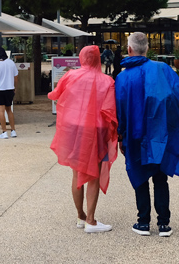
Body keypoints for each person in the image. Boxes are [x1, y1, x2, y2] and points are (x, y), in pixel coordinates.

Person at [116, 32, 179, 238]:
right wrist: (174, 123)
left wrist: (120, 136)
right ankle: (164, 224)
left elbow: (120, 110)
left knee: (139, 175)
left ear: (129, 49)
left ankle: (143, 222)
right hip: (159, 133)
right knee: (160, 178)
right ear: (147, 49)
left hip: (134, 134)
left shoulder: (123, 77)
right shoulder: (162, 69)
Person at [48, 45, 118, 233]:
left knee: (77, 173)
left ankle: (80, 216)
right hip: (97, 131)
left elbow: (55, 95)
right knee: (94, 175)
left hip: (74, 130)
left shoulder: (70, 75)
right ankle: (91, 220)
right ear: (98, 59)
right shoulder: (107, 81)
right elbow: (111, 110)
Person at [0, 47, 18, 139]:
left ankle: (4, 131)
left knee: (1, 111)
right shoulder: (11, 63)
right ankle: (13, 130)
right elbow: (16, 77)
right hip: (10, 89)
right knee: (9, 110)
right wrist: (14, 87)